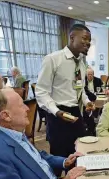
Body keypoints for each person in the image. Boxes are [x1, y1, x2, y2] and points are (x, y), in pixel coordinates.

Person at [36, 24, 95, 161]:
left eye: (89, 41)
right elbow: (41, 92)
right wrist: (57, 112)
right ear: (72, 37)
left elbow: (80, 89)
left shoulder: (81, 62)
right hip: (58, 116)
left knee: (78, 156)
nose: (88, 43)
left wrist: (86, 102)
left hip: (77, 115)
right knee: (59, 159)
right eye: (85, 39)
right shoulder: (53, 59)